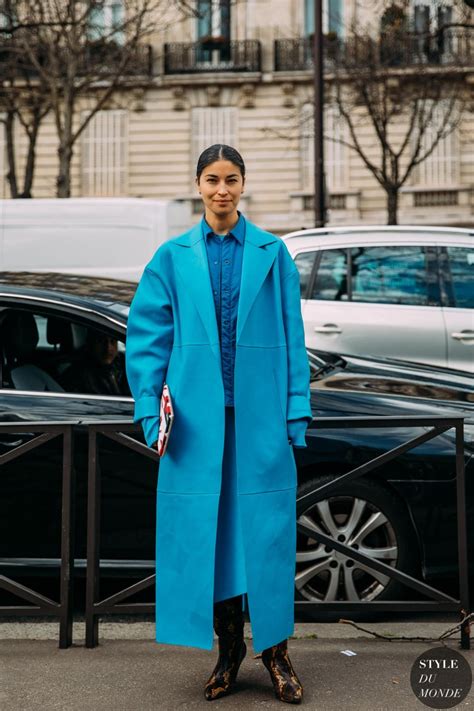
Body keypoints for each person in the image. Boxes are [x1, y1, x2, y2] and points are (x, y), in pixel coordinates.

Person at [125, 144, 312, 704]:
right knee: (210, 541)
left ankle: (277, 655)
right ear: (198, 185)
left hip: (260, 423)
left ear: (243, 184)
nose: (222, 189)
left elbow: (293, 336)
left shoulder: (273, 253)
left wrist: (296, 410)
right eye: (212, 179)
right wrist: (146, 410)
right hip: (196, 426)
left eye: (231, 179)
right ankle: (229, 654)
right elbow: (146, 341)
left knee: (270, 538)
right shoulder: (171, 256)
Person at [61, 329, 130, 396]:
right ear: (91, 343)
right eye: (101, 341)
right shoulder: (77, 374)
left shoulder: (124, 363)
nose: (108, 348)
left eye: (113, 341)